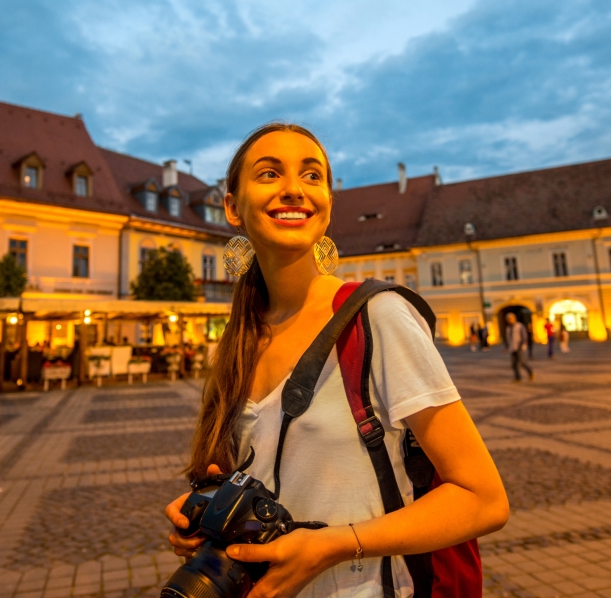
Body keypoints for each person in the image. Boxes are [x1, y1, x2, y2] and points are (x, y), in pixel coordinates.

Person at [164, 124, 508, 598]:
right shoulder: (240, 337)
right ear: (232, 207)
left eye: (312, 175)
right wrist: (211, 512)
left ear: (326, 206)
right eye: (268, 173)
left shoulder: (377, 316)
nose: (293, 189)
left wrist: (333, 546)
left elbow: (483, 499)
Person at [505, 312, 533, 382]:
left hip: (519, 347)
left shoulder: (520, 326)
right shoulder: (508, 328)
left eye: (511, 318)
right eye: (508, 319)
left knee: (522, 362)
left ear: (514, 318)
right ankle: (518, 377)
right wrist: (506, 347)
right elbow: (508, 338)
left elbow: (524, 336)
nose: (510, 320)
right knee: (514, 364)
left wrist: (522, 344)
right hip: (512, 347)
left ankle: (530, 372)